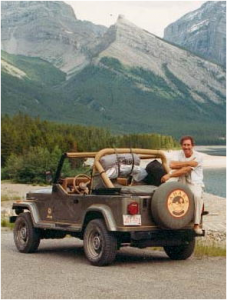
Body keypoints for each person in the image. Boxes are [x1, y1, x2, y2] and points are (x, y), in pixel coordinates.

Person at [161, 136, 204, 235]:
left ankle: (196, 224)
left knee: (197, 197)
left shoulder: (199, 156)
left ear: (192, 146)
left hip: (193, 181)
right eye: (184, 145)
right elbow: (171, 165)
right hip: (180, 178)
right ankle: (165, 216)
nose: (186, 147)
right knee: (166, 188)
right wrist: (188, 163)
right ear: (181, 146)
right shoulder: (178, 154)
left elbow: (186, 170)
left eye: (188, 145)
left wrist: (170, 174)